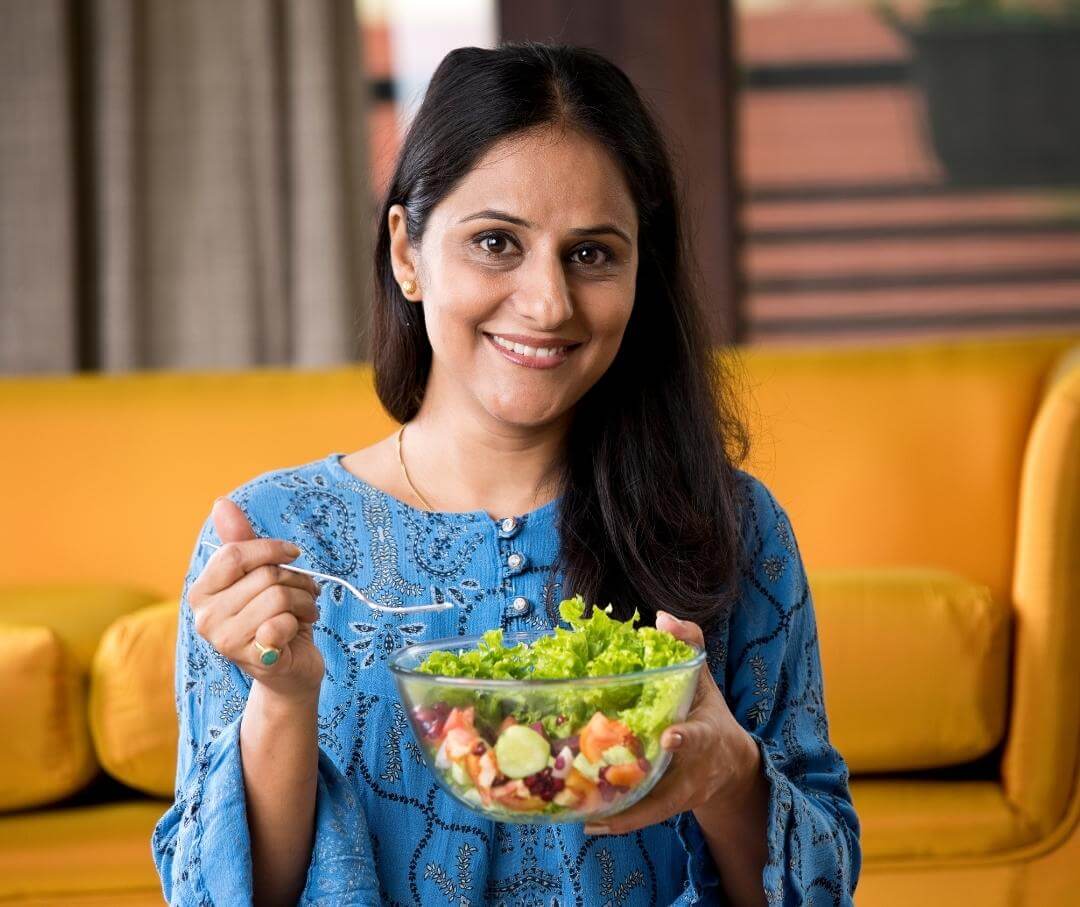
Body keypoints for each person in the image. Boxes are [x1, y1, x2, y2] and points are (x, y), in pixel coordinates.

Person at [151, 41, 861, 907]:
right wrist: (285, 702)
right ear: (408, 252)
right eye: (496, 242)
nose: (549, 302)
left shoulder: (734, 527)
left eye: (592, 254)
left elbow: (819, 886)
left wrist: (728, 770)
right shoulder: (272, 541)